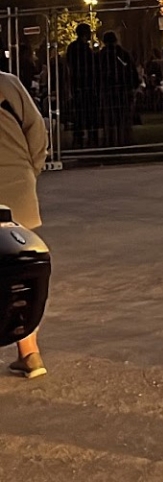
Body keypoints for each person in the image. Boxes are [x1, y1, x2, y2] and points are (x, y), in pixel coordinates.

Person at [0, 70, 49, 378]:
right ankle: (29, 353)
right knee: (21, 273)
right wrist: (32, 169)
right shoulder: (8, 83)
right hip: (18, 186)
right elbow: (36, 128)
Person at [98, 32, 140, 147]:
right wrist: (134, 85)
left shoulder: (101, 55)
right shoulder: (123, 54)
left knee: (110, 117)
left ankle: (110, 140)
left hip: (107, 90)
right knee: (124, 116)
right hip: (123, 89)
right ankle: (125, 139)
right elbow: (131, 70)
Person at [65, 22, 99, 149]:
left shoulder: (72, 48)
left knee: (79, 113)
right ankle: (91, 136)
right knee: (90, 113)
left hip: (77, 84)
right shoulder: (86, 50)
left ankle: (78, 137)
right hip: (87, 85)